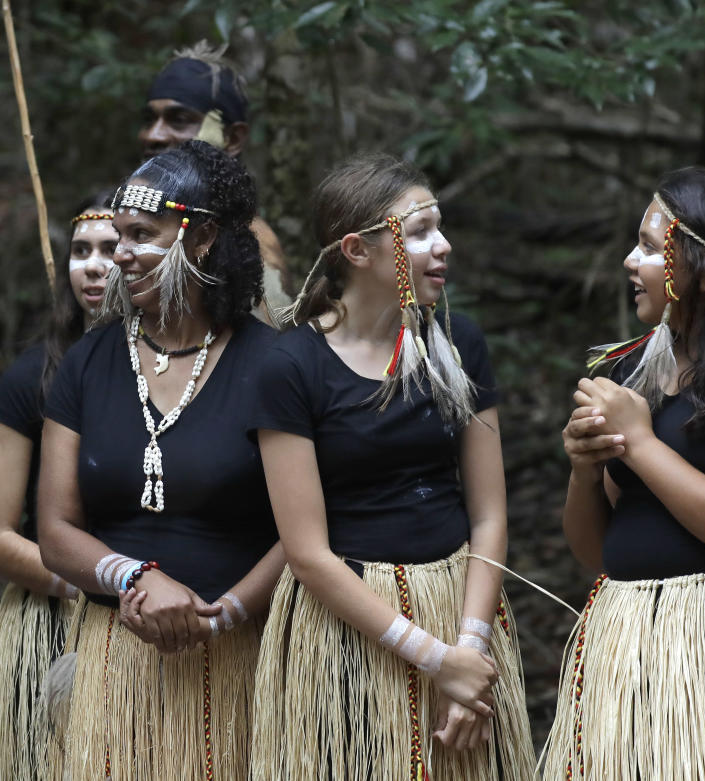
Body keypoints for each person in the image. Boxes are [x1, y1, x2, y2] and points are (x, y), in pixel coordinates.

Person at [248, 153, 535, 779]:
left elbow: (487, 516)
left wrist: (470, 650)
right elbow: (307, 553)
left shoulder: (458, 343)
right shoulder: (290, 365)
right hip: (349, 636)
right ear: (358, 249)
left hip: (460, 609)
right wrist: (435, 661)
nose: (444, 246)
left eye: (442, 226)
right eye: (421, 231)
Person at [37, 140, 284, 779]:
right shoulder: (88, 364)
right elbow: (56, 532)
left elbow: (306, 531)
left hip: (240, 663)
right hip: (115, 667)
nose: (120, 254)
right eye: (118, 235)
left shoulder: (276, 365)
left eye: (141, 235)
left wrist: (221, 615)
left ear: (200, 238)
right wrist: (133, 575)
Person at [543, 167, 705, 778]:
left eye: (652, 249)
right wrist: (582, 471)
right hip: (624, 645)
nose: (632, 261)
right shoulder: (633, 371)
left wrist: (641, 444)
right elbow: (595, 550)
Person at [0, 192, 116, 779]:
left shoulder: (179, 374)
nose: (93, 264)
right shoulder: (31, 378)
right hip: (56, 618)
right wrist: (102, 590)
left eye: (111, 249)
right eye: (80, 250)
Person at [139, 41, 292, 322]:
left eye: (179, 120)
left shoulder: (251, 249)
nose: (153, 135)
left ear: (233, 138)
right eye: (150, 120)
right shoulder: (131, 226)